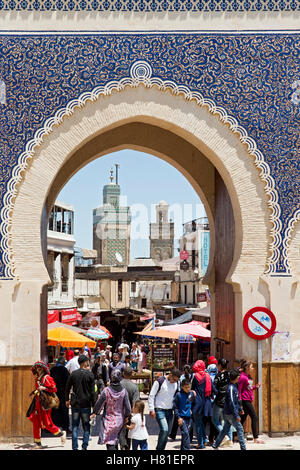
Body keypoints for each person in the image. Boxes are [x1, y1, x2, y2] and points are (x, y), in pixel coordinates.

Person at [28, 361, 66, 448]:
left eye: (40, 368)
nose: (39, 369)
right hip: (37, 403)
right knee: (35, 421)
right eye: (37, 368)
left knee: (47, 423)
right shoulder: (37, 378)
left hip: (44, 404)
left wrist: (44, 388)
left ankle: (61, 433)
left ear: (44, 369)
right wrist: (36, 392)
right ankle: (38, 443)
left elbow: (54, 389)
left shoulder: (47, 378)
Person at [91, 369, 132, 450]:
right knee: (117, 438)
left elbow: (99, 404)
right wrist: (127, 416)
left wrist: (95, 412)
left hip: (108, 421)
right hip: (119, 420)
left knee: (110, 442)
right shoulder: (124, 391)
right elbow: (128, 407)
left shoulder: (106, 391)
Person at [65, 354, 96, 451]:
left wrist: (67, 399)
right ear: (85, 362)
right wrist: (94, 406)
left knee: (75, 426)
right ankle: (84, 447)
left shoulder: (73, 374)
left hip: (75, 405)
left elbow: (67, 388)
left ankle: (75, 447)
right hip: (86, 405)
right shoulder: (90, 375)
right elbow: (93, 392)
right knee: (86, 427)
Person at [212, 369, 246, 450]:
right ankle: (243, 447)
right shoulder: (231, 388)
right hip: (230, 413)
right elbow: (231, 402)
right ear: (236, 377)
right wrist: (236, 415)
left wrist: (240, 409)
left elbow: (235, 401)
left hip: (229, 412)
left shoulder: (234, 386)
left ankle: (216, 445)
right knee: (240, 429)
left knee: (225, 430)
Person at [148, 368, 181, 451]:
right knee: (164, 429)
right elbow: (151, 395)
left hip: (170, 411)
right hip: (159, 409)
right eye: (174, 379)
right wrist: (152, 409)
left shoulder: (176, 383)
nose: (174, 381)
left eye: (176, 380)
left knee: (166, 433)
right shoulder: (160, 381)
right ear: (170, 375)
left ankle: (161, 448)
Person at [238, 361, 265, 444]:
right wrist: (240, 404)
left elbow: (248, 387)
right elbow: (239, 390)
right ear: (246, 368)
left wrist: (255, 387)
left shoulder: (248, 376)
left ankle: (236, 435)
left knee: (242, 419)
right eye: (251, 367)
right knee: (254, 417)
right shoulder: (242, 377)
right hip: (245, 400)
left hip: (249, 399)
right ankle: (255, 438)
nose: (253, 368)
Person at [191, 360, 213, 449]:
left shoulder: (195, 376)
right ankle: (204, 440)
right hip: (206, 403)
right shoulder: (208, 376)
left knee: (198, 423)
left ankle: (200, 444)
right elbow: (213, 389)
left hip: (197, 403)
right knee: (201, 423)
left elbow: (192, 389)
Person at [212, 358, 233, 446]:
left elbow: (215, 388)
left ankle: (225, 436)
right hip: (228, 401)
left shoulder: (218, 376)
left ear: (220, 365)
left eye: (218, 365)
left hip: (220, 401)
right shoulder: (229, 374)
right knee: (228, 421)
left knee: (215, 419)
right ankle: (230, 441)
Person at [119, 366, 140, 450]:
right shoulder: (134, 387)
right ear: (131, 374)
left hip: (118, 412)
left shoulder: (118, 385)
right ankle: (126, 447)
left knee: (120, 431)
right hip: (129, 413)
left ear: (123, 374)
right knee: (128, 433)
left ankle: (122, 446)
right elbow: (136, 403)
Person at [50, 356, 71, 435]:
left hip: (53, 393)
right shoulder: (64, 370)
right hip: (62, 393)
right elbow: (68, 382)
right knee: (64, 410)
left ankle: (53, 428)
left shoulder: (52, 370)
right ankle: (65, 428)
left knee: (54, 410)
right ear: (63, 363)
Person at [173, 379, 195, 450]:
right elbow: (175, 407)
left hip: (190, 418)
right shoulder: (178, 395)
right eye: (186, 387)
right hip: (182, 418)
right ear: (182, 387)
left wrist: (192, 410)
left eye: (189, 387)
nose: (188, 389)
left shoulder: (191, 394)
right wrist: (178, 417)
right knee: (185, 433)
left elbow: (194, 403)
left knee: (185, 435)